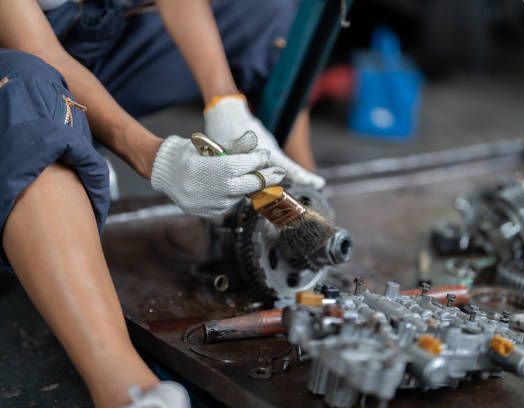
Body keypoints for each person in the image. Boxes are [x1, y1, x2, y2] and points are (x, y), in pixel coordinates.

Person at [0, 1, 325, 407]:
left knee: (270, 14)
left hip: (93, 37)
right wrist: (154, 156)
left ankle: (306, 193)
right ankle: (126, 389)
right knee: (27, 88)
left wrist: (224, 103)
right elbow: (40, 51)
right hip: (17, 59)